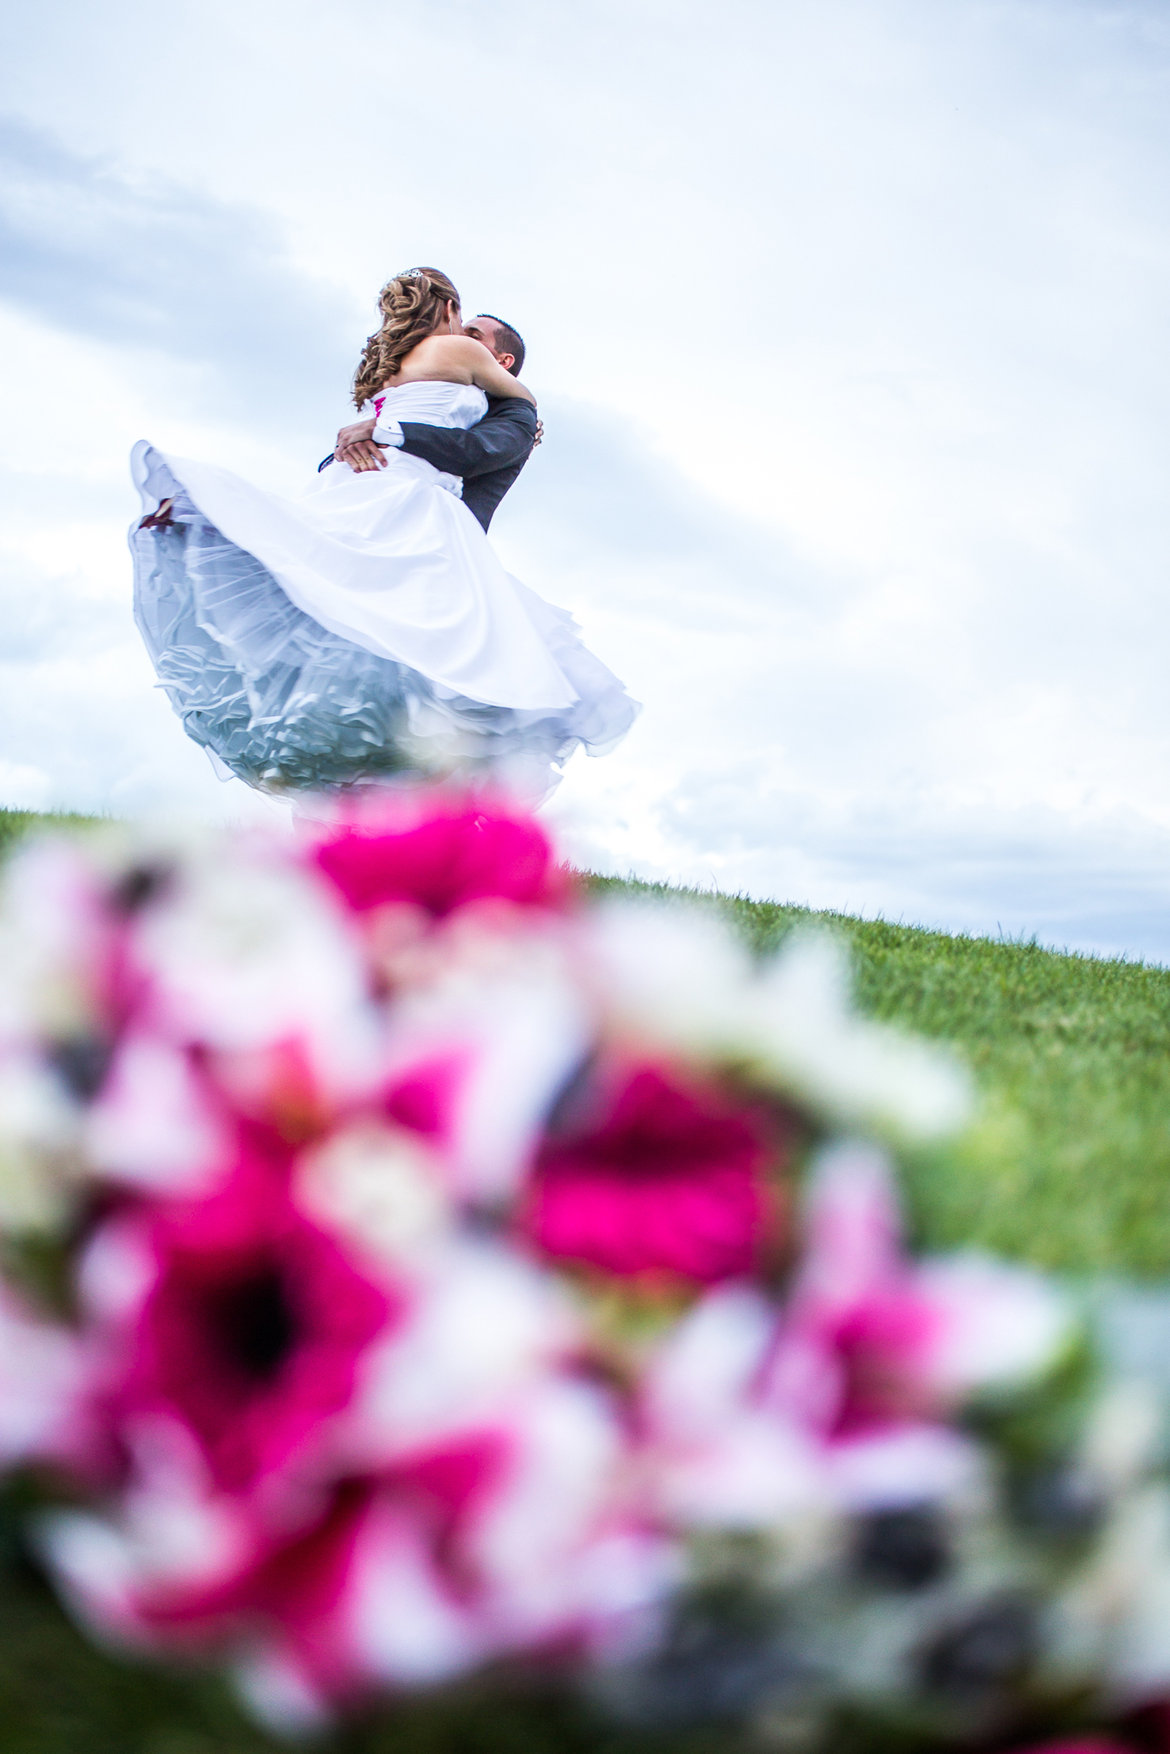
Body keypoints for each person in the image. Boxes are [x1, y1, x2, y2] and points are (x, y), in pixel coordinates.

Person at [130, 268, 637, 797]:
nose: (465, 333)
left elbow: (464, 437)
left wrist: (380, 430)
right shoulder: (459, 357)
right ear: (446, 310)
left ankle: (193, 520)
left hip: (356, 484)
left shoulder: (392, 371)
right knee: (424, 629)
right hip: (398, 492)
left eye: (475, 332)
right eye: (462, 318)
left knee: (315, 582)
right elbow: (525, 403)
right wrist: (530, 415)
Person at [325, 313, 541, 533]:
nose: (458, 338)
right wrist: (351, 447)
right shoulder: (432, 386)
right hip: (367, 500)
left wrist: (381, 431)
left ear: (504, 361)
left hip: (441, 531)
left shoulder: (514, 410)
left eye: (473, 337)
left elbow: (475, 452)